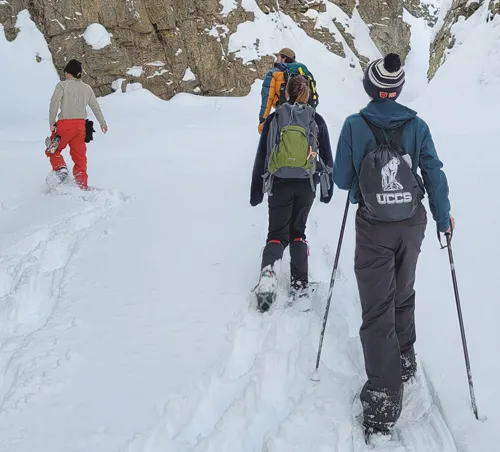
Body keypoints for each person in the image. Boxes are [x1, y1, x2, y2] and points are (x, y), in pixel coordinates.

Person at [332, 53, 454, 443]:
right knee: (403, 290)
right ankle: (404, 359)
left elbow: (342, 179)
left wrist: (362, 190)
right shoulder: (417, 125)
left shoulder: (354, 124)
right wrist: (442, 217)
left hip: (373, 227)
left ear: (371, 87)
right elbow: (433, 172)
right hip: (412, 223)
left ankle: (383, 402)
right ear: (398, 89)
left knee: (377, 307)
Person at [250, 75, 334, 312]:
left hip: (279, 183)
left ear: (286, 94)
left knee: (276, 234)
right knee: (298, 232)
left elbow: (262, 157)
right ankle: (299, 285)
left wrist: (256, 191)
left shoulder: (275, 118)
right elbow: (327, 159)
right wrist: (327, 189)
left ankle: (267, 279)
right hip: (306, 184)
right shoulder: (316, 120)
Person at [47, 59, 108, 190]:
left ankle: (61, 168)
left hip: (64, 126)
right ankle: (82, 186)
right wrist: (102, 123)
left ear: (69, 73)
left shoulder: (62, 85)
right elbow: (95, 107)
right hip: (80, 127)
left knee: (52, 150)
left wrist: (52, 122)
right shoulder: (87, 88)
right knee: (79, 157)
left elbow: (54, 103)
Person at [258, 48, 317, 134]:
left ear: (284, 58)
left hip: (284, 116)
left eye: (278, 57)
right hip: (305, 118)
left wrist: (262, 121)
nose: (276, 59)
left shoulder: (275, 73)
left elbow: (267, 98)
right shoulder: (303, 72)